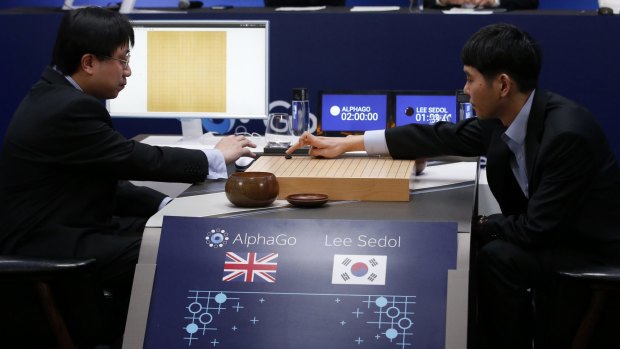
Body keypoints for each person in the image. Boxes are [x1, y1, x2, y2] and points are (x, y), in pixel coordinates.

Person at [287, 23, 620, 348]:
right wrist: (349, 143)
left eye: (470, 78)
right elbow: (439, 135)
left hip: (588, 249)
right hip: (555, 234)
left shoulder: (566, 134)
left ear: (502, 85)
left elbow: (539, 229)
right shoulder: (506, 118)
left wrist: (481, 225)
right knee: (487, 250)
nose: (466, 88)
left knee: (496, 256)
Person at [0, 6, 255, 347]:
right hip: (47, 243)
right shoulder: (67, 108)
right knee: (176, 247)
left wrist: (166, 205)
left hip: (69, 225)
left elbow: (106, 179)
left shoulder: (56, 94)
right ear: (89, 62)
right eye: (122, 60)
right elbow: (133, 159)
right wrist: (214, 156)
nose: (129, 71)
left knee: (172, 229)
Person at [423, 0, 538, 10]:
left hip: (497, 25)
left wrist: (495, 1)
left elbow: (530, 2)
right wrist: (443, 1)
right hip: (444, 25)